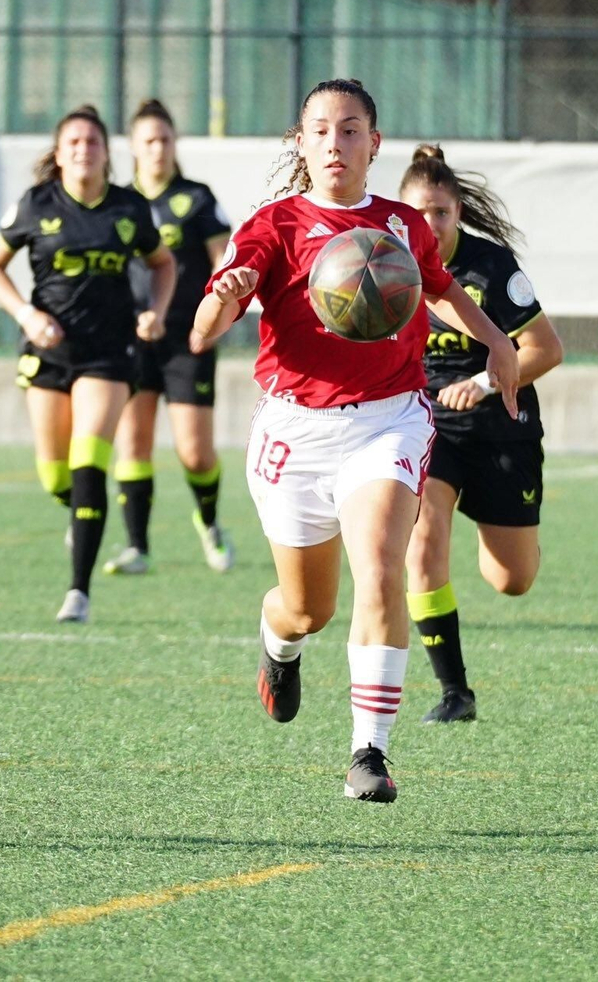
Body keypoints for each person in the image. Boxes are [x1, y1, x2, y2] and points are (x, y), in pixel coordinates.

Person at [190, 79, 522, 803]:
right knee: (307, 607)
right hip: (294, 430)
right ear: (300, 142)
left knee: (380, 567)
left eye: (350, 131)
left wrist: (497, 339)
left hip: (388, 420)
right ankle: (280, 645)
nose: (335, 144)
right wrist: (225, 293)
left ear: (374, 142)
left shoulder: (402, 224)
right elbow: (201, 331)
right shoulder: (272, 226)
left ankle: (368, 751)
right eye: (321, 130)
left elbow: (439, 288)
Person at [0, 105, 176, 624]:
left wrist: (155, 310)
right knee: (55, 475)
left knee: (90, 461)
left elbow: (163, 263)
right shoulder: (35, 204)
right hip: (48, 352)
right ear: (59, 154)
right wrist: (25, 313)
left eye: (93, 141)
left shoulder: (129, 209)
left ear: (107, 153)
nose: (84, 149)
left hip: (109, 355)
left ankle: (78, 592)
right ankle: (82, 511)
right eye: (74, 142)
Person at [399, 144, 564, 724]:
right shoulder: (385, 266)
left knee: (510, 580)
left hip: (501, 428)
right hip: (429, 427)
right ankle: (455, 693)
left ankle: (489, 517)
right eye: (421, 212)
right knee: (422, 542)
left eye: (442, 212)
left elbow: (545, 350)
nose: (432, 223)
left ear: (459, 210)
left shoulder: (492, 266)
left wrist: (485, 383)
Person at [104, 99, 235, 578]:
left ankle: (210, 521)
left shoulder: (197, 198)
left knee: (194, 452)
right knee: (132, 443)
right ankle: (138, 546)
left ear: (174, 143)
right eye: (148, 141)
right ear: (134, 148)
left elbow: (226, 260)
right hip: (131, 341)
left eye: (165, 139)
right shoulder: (118, 202)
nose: (157, 148)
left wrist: (219, 314)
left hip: (187, 340)